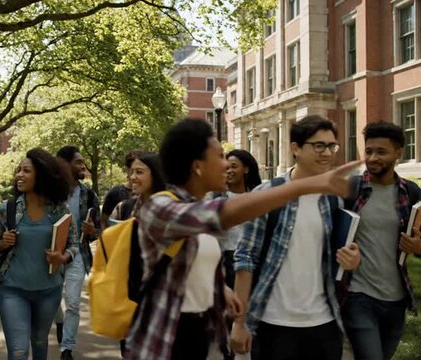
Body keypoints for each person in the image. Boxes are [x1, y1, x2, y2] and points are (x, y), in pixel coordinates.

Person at [125, 117, 361, 360]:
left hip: (204, 339)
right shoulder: (159, 208)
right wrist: (305, 186)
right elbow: (224, 215)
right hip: (164, 344)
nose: (227, 165)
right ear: (197, 166)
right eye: (219, 157)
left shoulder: (196, 205)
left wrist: (225, 294)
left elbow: (192, 268)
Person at [230, 115, 362, 360]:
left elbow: (335, 258)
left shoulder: (333, 199)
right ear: (295, 148)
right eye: (318, 145)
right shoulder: (266, 195)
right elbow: (245, 259)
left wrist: (351, 261)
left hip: (324, 322)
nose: (327, 153)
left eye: (332, 146)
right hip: (274, 323)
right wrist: (239, 323)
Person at [341, 121, 421, 360]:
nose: (373, 158)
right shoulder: (350, 189)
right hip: (357, 295)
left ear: (399, 153)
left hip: (396, 299)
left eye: (381, 152)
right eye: (369, 151)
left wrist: (418, 247)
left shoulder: (412, 192)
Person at [0, 148, 77, 360]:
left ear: (42, 175)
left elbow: (74, 244)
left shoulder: (60, 210)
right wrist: (2, 243)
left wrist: (62, 257)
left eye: (26, 171)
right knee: (19, 351)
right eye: (18, 170)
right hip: (13, 290)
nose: (19, 175)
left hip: (49, 290)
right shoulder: (7, 209)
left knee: (39, 343)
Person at [108, 151, 166, 358]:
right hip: (131, 298)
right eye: (132, 172)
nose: (132, 177)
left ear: (157, 175)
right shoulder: (125, 208)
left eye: (139, 172)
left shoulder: (173, 210)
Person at [54, 145, 101, 360]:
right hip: (52, 254)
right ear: (65, 164)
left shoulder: (89, 195)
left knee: (72, 302)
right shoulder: (51, 192)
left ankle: (67, 348)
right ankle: (60, 322)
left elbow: (98, 231)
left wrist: (92, 231)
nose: (83, 166)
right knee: (53, 302)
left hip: (77, 255)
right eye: (79, 162)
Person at [218, 149, 262, 288]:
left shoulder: (257, 197)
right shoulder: (217, 199)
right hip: (225, 260)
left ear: (246, 169)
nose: (229, 171)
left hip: (252, 260)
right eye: (227, 167)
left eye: (234, 166)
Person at [101, 151, 141, 229]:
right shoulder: (115, 193)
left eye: (140, 171)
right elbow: (104, 222)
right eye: (133, 170)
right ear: (127, 169)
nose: (135, 176)